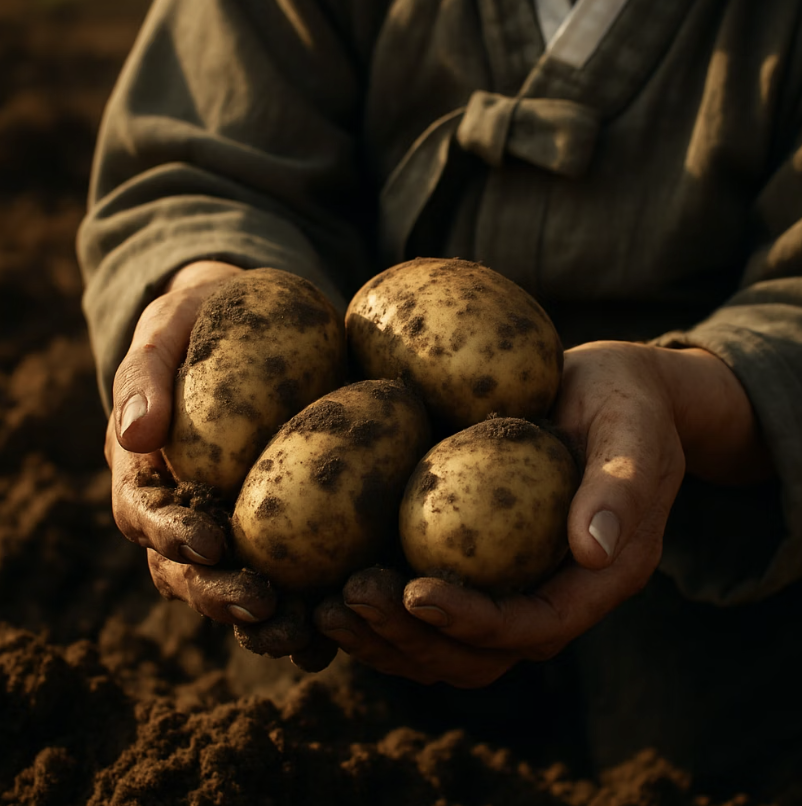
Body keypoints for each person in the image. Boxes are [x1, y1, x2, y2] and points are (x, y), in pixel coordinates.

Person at [79, 0, 802, 793]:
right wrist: (210, 281)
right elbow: (205, 159)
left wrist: (692, 390)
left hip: (723, 535)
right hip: (343, 528)